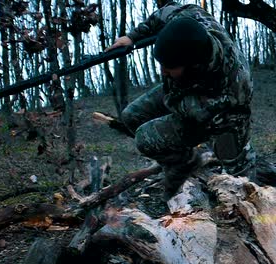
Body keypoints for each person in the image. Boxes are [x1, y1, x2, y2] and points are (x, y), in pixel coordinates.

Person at [107, 1, 255, 200]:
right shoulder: (191, 17)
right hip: (183, 89)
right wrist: (132, 37)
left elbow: (193, 112)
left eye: (169, 66)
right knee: (130, 116)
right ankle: (184, 164)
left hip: (223, 116)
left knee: (238, 177)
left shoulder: (234, 84)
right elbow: (165, 12)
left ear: (193, 64)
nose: (162, 71)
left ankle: (243, 175)